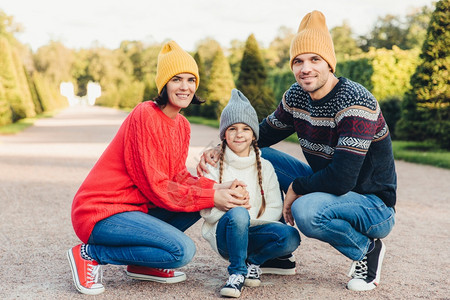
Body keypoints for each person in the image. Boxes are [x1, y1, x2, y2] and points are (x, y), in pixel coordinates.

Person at [198, 10, 396, 292]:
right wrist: (219, 149)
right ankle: (276, 251)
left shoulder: (355, 101)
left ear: (329, 63)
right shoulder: (296, 96)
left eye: (315, 59)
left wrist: (297, 187)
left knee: (306, 210)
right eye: (298, 61)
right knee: (259, 154)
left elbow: (342, 179)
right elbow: (263, 134)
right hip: (333, 189)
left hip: (373, 204)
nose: (306, 68)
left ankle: (367, 249)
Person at [67, 40, 249, 296]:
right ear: (164, 84)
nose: (185, 87)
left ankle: (142, 264)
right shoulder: (145, 114)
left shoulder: (182, 125)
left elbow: (178, 177)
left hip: (136, 210)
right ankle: (90, 254)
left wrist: (218, 187)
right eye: (177, 79)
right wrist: (211, 195)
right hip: (102, 212)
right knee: (181, 250)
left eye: (190, 80)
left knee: (202, 203)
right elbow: (156, 186)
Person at [200, 89, 300, 298]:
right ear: (223, 134)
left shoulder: (266, 166)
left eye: (245, 128)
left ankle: (254, 261)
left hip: (255, 232)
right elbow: (206, 210)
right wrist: (236, 213)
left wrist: (249, 222)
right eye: (232, 128)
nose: (239, 134)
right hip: (226, 235)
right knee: (238, 214)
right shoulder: (214, 164)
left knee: (291, 236)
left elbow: (274, 207)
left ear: (253, 134)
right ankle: (236, 273)